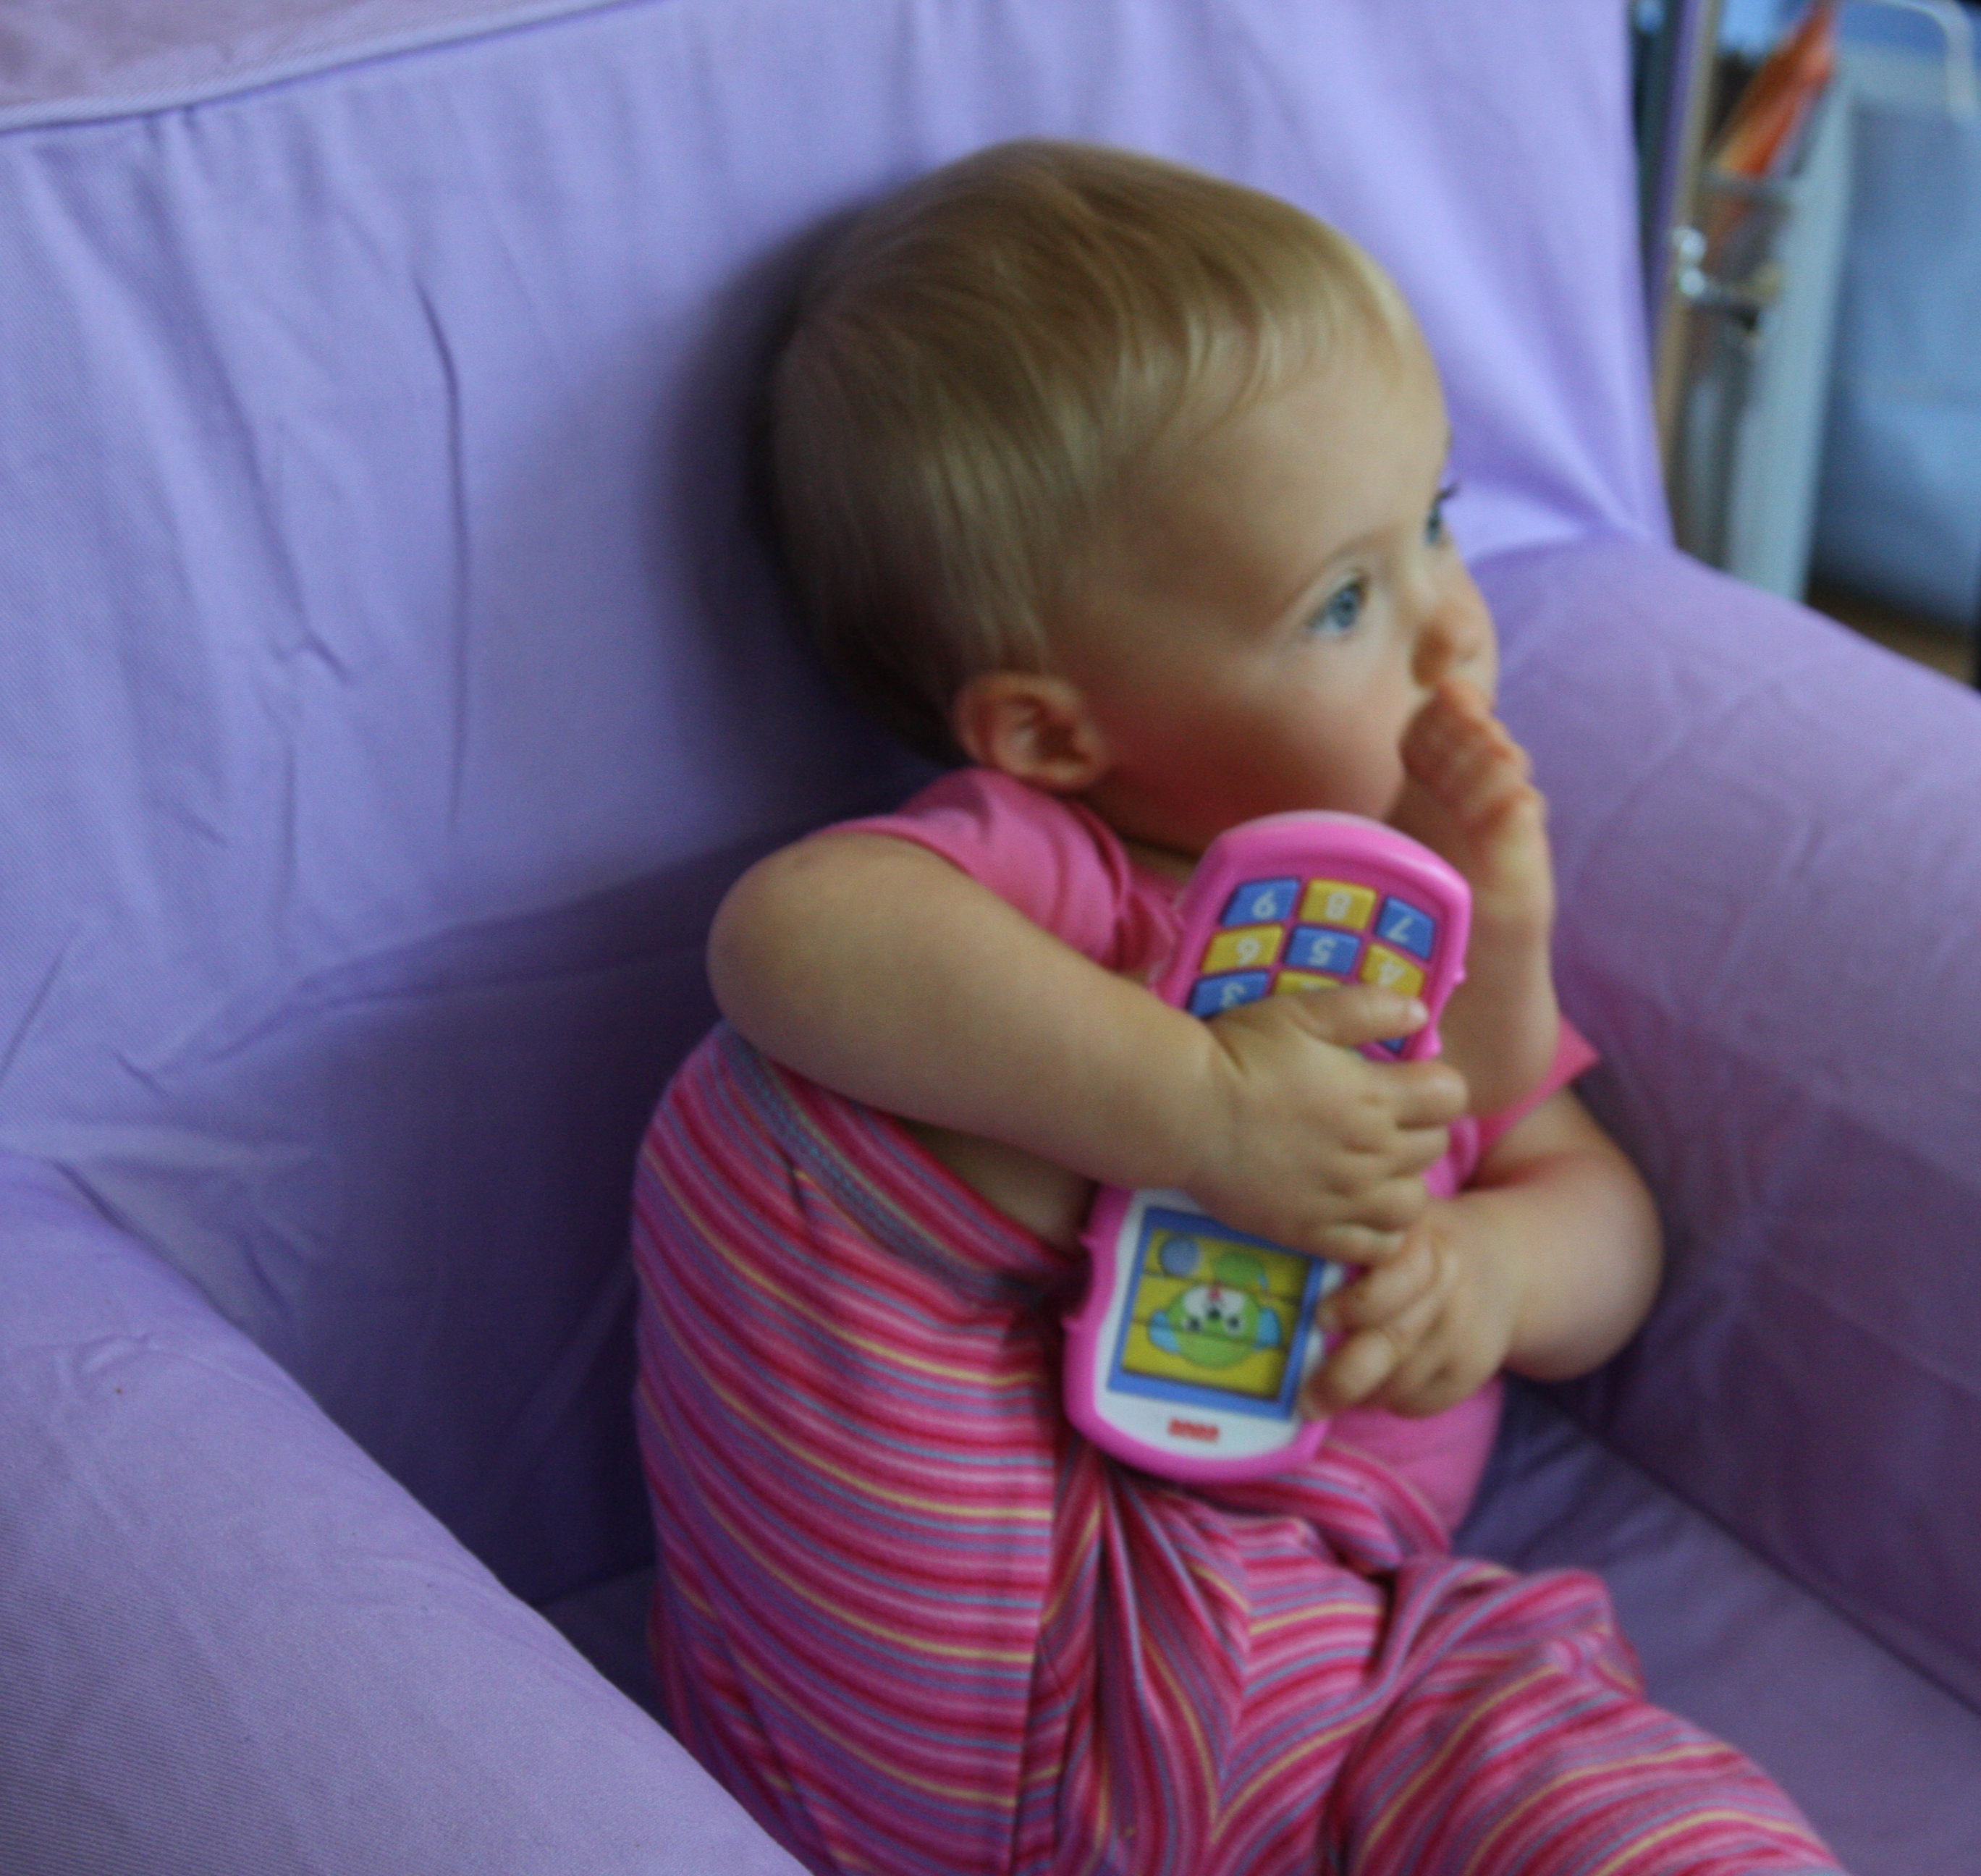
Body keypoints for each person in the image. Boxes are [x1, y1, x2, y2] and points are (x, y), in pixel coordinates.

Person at [630, 139, 1839, 1875]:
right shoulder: (1056, 879)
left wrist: (1492, 1271)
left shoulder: (1418, 922)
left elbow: (1595, 1209)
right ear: (1053, 733)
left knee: (1626, 1807)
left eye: (1436, 523)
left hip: (1339, 1676)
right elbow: (787, 937)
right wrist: (1206, 1112)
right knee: (779, 1098)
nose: (1453, 631)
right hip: (991, 1647)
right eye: (1345, 599)